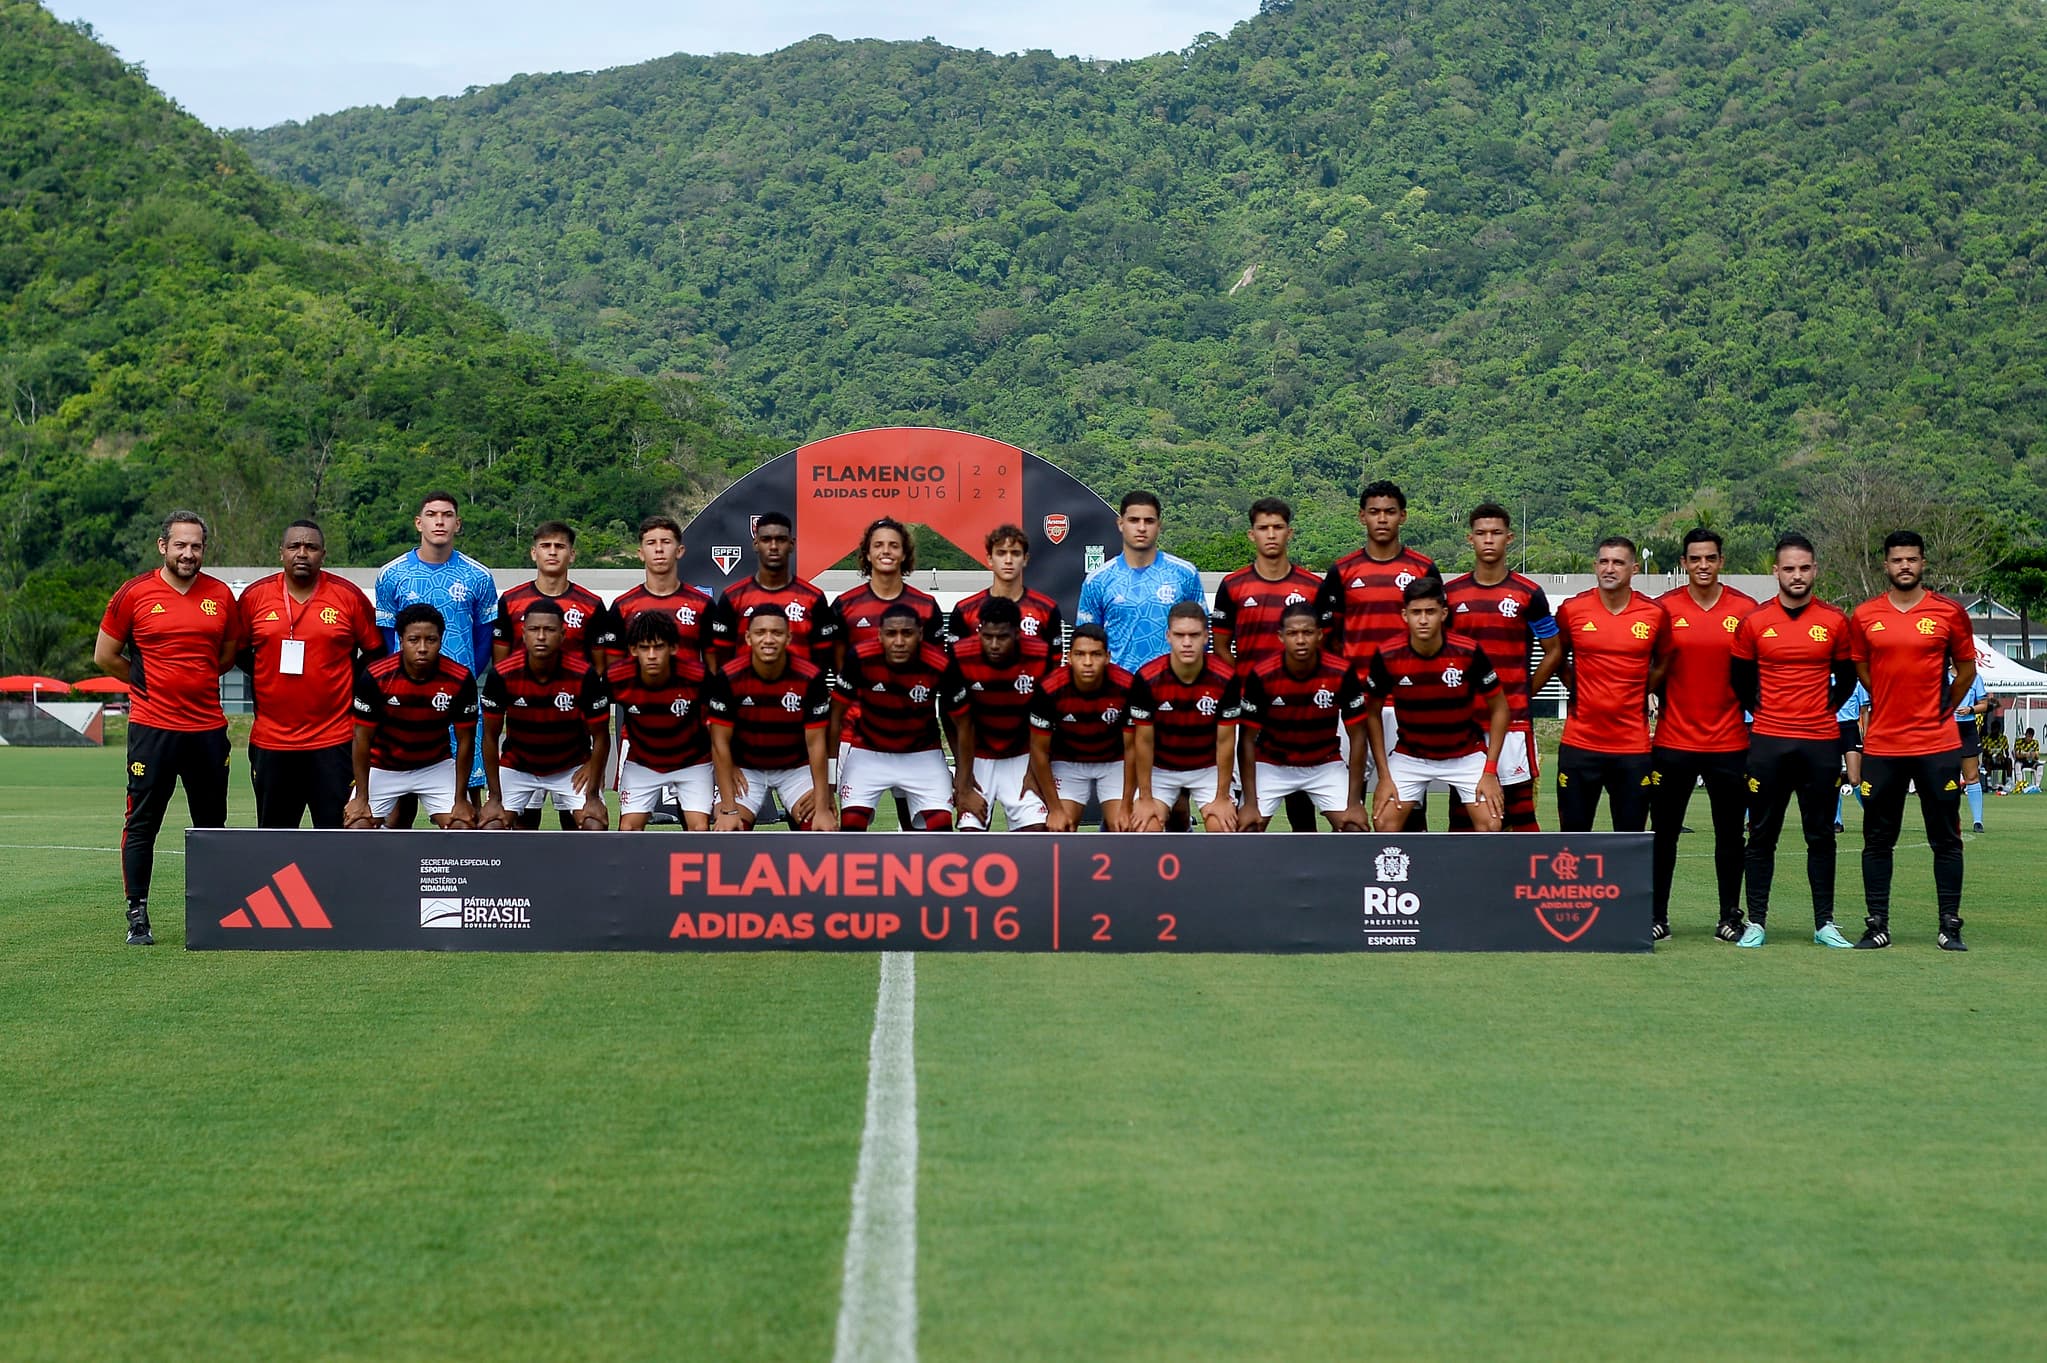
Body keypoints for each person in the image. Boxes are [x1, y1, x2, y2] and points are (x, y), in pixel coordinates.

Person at [94, 510, 240, 945]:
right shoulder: (134, 593)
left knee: (212, 825)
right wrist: (144, 681)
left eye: (196, 546)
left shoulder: (220, 596)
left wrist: (189, 679)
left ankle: (214, 913)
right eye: (180, 545)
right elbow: (105, 655)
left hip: (207, 731)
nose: (188, 553)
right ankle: (137, 913)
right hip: (152, 729)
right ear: (163, 546)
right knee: (142, 824)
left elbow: (227, 655)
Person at [1729, 534, 1858, 948]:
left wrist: (1822, 708)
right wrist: (1767, 709)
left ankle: (1825, 924)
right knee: (1762, 834)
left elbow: (1848, 678)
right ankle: (1757, 922)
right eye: (1789, 569)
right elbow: (1741, 680)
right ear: (1776, 572)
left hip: (1820, 743)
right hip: (1768, 743)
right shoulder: (1755, 622)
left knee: (1820, 835)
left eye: (1804, 568)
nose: (1797, 576)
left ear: (1815, 570)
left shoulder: (1835, 621)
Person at [1848, 531, 1976, 950]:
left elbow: (1966, 671)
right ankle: (1877, 924)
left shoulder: (1949, 612)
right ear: (1885, 565)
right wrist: (1886, 700)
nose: (1905, 566)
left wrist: (1943, 708)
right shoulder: (1865, 615)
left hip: (1937, 745)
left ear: (1923, 563)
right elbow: (1862, 669)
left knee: (1946, 838)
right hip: (1884, 745)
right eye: (1897, 560)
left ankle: (1949, 925)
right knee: (1878, 838)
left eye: (1913, 559)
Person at [1649, 528, 1758, 941]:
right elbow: (1653, 670)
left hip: (1730, 743)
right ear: (1683, 564)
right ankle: (1656, 915)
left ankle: (1729, 916)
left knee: (1730, 836)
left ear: (1721, 561)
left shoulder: (1745, 610)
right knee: (1663, 835)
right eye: (1695, 559)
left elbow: (1754, 674)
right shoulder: (1663, 610)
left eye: (1710, 558)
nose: (1703, 565)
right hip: (1673, 741)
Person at [237, 519, 382, 829]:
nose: (302, 553)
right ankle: (289, 882)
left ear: (323, 554)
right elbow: (237, 651)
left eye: (311, 547)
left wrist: (347, 683)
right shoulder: (254, 597)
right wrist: (266, 672)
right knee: (276, 840)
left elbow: (375, 652)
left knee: (333, 837)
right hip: (272, 741)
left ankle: (329, 881)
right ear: (281, 553)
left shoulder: (349, 597)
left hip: (333, 740)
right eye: (294, 546)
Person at [1531, 537, 1670, 833]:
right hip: (1580, 744)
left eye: (1618, 563)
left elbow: (1663, 662)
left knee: (1629, 839)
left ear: (1634, 569)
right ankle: (1574, 883)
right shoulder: (1573, 609)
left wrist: (1640, 690)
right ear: (1595, 566)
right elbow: (1557, 655)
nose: (1610, 569)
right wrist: (1575, 687)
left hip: (1632, 747)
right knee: (1575, 838)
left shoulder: (1654, 614)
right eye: (1604, 562)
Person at [1318, 480, 1437, 823]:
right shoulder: (1342, 571)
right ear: (1362, 517)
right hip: (1356, 704)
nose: (1381, 519)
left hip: (1406, 703)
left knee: (1408, 805)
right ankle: (1352, 873)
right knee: (1348, 803)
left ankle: (1410, 875)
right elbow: (1329, 639)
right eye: (1374, 512)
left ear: (1403, 517)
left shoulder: (1422, 569)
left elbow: (1435, 638)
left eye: (1389, 512)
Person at [1442, 503, 1560, 831]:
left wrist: (1523, 692)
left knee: (1520, 815)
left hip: (1514, 724)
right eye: (1481, 533)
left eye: (1496, 533)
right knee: (1463, 816)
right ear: (1470, 539)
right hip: (1466, 722)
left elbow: (1554, 651)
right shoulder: (1451, 595)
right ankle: (1467, 883)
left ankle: (1524, 883)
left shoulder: (1529, 593)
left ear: (1509, 538)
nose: (1488, 540)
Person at [375, 491, 498, 798]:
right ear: (419, 523)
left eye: (446, 515)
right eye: (431, 515)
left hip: (457, 697)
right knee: (400, 800)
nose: (439, 521)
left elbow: (484, 641)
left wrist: (459, 681)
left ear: (458, 524)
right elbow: (386, 638)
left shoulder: (479, 576)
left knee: (468, 799)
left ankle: (472, 848)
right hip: (404, 700)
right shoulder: (391, 575)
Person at [1364, 576, 1509, 831]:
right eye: (1415, 612)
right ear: (1404, 615)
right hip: (1411, 755)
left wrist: (1489, 771)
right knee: (1384, 823)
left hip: (1465, 754)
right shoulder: (1387, 655)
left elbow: (1500, 708)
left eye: (1430, 612)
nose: (1422, 619)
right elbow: (1372, 713)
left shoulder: (1468, 651)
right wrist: (1384, 775)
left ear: (1443, 614)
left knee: (1491, 823)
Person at [476, 599, 611, 831]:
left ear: (562, 634)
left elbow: (601, 736)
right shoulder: (502, 674)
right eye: (534, 629)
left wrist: (593, 795)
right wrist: (495, 797)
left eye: (549, 630)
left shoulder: (584, 675)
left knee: (594, 823)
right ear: (523, 633)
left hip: (571, 766)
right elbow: (489, 737)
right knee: (492, 824)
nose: (541, 636)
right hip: (518, 766)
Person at [1236, 602, 1371, 832]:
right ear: (1281, 636)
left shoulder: (1341, 672)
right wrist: (1250, 803)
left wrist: (1353, 803)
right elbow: (1247, 739)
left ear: (1319, 634)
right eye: (1292, 633)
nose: (1300, 640)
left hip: (1324, 763)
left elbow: (1358, 736)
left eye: (1307, 632)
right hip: (1272, 764)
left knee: (1354, 828)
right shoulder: (1262, 674)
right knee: (1247, 830)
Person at [345, 605, 479, 830]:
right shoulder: (376, 676)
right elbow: (361, 739)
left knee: (461, 825)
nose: (423, 648)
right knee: (358, 825)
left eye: (431, 640)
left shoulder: (459, 678)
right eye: (414, 640)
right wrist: (361, 798)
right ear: (401, 640)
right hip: (384, 765)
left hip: (435, 765)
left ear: (441, 640)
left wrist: (460, 800)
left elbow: (466, 741)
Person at [705, 605, 837, 830]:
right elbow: (719, 741)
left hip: (795, 767)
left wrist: (823, 806)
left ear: (788, 638)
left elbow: (816, 743)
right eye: (760, 633)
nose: (768, 639)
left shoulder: (810, 677)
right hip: (746, 767)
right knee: (728, 829)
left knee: (822, 827)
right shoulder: (728, 677)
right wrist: (729, 808)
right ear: (748, 638)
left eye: (776, 633)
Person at [833, 604, 956, 830]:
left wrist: (964, 780)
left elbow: (962, 723)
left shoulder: (939, 664)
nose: (899, 641)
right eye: (891, 633)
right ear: (879, 635)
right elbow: (834, 716)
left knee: (941, 830)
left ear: (920, 634)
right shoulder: (859, 657)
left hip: (922, 754)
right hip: (868, 753)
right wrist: (829, 779)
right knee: (850, 828)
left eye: (907, 633)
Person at [944, 596, 1054, 832]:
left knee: (1037, 834)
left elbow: (1045, 722)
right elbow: (951, 719)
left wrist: (1033, 771)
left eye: (1002, 637)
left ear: (1017, 632)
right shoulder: (960, 656)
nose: (994, 644)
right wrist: (963, 779)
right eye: (987, 636)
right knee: (970, 834)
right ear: (979, 631)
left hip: (1023, 753)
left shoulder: (1040, 656)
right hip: (977, 756)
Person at [1130, 601, 1241, 833]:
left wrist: (1222, 798)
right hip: (1161, 768)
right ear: (1168, 636)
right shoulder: (1146, 678)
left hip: (1207, 767)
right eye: (1180, 635)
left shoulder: (1226, 678)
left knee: (1223, 827)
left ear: (1206, 637)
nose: (1187, 643)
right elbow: (1143, 742)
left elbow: (1226, 742)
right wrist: (1146, 798)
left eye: (1194, 635)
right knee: (1144, 829)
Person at [1075, 490, 1204, 672]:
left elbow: (1205, 638)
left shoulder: (1184, 574)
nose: (1141, 528)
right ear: (1120, 524)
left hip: (1170, 687)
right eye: (1134, 520)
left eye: (1149, 521)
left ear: (1159, 525)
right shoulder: (1097, 580)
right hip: (1120, 689)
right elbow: (1085, 644)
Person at [609, 610, 714, 832]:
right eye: (645, 648)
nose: (652, 655)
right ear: (633, 650)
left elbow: (719, 728)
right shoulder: (617, 678)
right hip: (642, 762)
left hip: (693, 762)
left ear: (673, 648)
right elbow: (593, 721)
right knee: (627, 830)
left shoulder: (698, 677)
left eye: (658, 647)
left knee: (700, 829)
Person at [1028, 624, 1140, 831]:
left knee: (1126, 826)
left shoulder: (1127, 686)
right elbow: (1038, 750)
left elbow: (1133, 748)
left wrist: (1125, 806)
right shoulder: (1049, 689)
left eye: (1096, 654)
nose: (1088, 662)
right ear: (1069, 657)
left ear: (1107, 657)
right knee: (1061, 826)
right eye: (1080, 654)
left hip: (1114, 760)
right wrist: (1056, 809)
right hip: (1067, 760)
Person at [708, 512, 840, 669]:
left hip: (798, 691)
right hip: (745, 691)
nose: (773, 547)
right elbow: (723, 658)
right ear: (755, 544)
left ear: (792, 544)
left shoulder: (813, 597)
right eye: (766, 540)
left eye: (781, 540)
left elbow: (822, 659)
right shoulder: (732, 597)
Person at [597, 515, 716, 667]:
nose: (659, 549)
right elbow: (613, 671)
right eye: (651, 543)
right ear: (640, 554)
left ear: (679, 551)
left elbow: (713, 669)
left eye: (666, 542)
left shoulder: (703, 604)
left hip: (687, 690)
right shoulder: (622, 606)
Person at [493, 521, 607, 667]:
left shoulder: (592, 604)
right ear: (534, 553)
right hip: (521, 688)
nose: (552, 552)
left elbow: (599, 668)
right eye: (545, 546)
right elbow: (500, 665)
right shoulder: (509, 601)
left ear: (572, 555)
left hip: (572, 688)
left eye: (560, 546)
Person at [947, 523, 1064, 652]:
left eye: (1015, 553)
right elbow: (955, 664)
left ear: (1025, 559)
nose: (1008, 560)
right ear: (990, 559)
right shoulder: (965, 610)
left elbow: (1055, 666)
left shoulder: (1047, 609)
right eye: (1001, 553)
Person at [833, 517, 945, 652]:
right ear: (868, 554)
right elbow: (839, 666)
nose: (886, 551)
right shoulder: (844, 605)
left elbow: (936, 662)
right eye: (878, 545)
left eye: (894, 545)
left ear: (904, 554)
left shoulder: (927, 606)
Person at [1952, 672, 1989, 832]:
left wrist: (1970, 709)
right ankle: (1949, 820)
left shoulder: (1975, 677)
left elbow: (1984, 704)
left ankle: (1977, 821)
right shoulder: (1940, 675)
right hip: (1946, 728)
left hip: (1967, 728)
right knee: (1946, 777)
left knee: (1972, 776)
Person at [1834, 681, 1869, 829]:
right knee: (1833, 778)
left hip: (1850, 729)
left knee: (1854, 779)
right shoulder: (1823, 678)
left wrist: (1867, 735)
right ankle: (1836, 821)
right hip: (1830, 729)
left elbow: (1864, 710)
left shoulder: (1857, 683)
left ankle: (1872, 815)